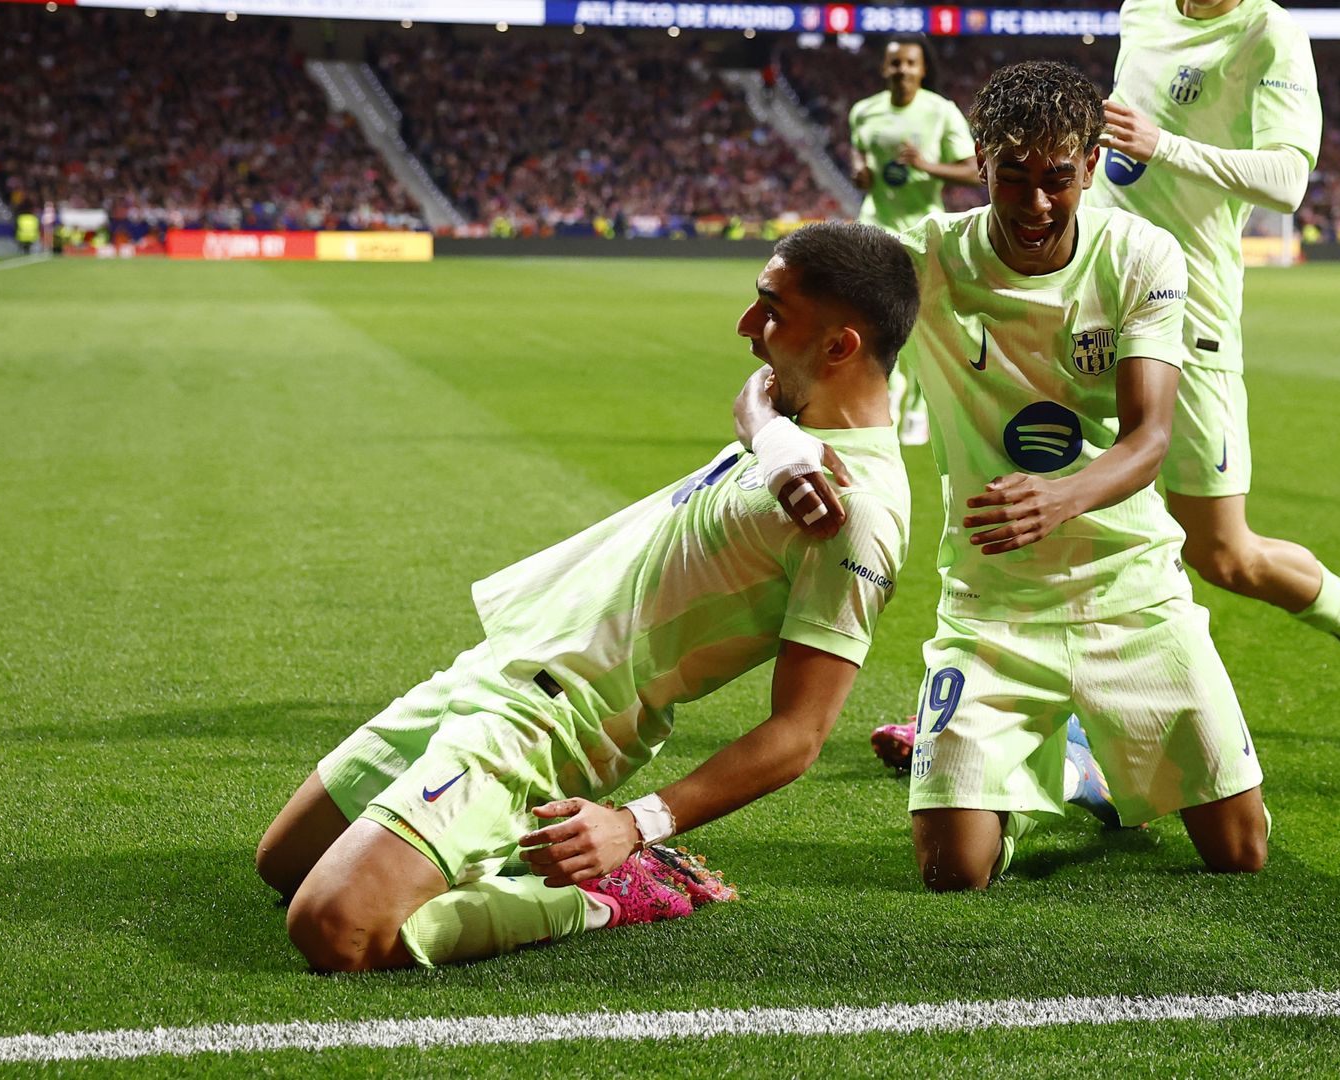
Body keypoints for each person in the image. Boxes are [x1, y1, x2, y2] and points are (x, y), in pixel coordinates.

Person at [257, 222, 918, 970]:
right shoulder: (793, 424)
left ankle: (605, 892)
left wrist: (638, 824)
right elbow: (754, 396)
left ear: (839, 348)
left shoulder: (856, 510)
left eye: (770, 309)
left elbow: (799, 734)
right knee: (282, 864)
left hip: (555, 718)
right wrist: (770, 443)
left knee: (334, 926)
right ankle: (473, 845)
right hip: (495, 665)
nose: (744, 327)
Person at [744, 61, 1268, 889]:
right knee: (957, 870)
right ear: (979, 160)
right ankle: (1038, 777)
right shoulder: (924, 259)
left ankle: (1080, 764)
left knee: (1240, 852)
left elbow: (1150, 438)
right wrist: (775, 442)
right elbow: (775, 348)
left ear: (1091, 167)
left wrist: (1058, 498)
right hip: (992, 607)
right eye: (1012, 177)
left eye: (1058, 179)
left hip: (1130, 592)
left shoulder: (1140, 256)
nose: (1034, 204)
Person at [1087, 0, 1340, 744]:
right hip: (1087, 287)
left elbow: (1284, 181)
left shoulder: (1268, 34)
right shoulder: (1140, 10)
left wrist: (1163, 145)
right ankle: (973, 717)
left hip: (1184, 309)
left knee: (1222, 553)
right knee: (1031, 480)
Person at [849, 35, 980, 447]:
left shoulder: (940, 112)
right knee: (871, 318)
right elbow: (858, 151)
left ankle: (920, 407)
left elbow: (975, 170)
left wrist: (926, 165)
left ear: (923, 69)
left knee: (924, 323)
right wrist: (860, 171)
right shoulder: (864, 112)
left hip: (923, 230)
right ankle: (892, 387)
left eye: (910, 63)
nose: (902, 70)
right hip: (874, 226)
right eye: (895, 63)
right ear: (884, 68)